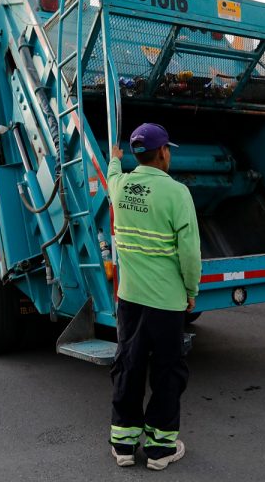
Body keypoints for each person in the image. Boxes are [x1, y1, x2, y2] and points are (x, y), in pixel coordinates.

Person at [106, 123, 201, 471]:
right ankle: (160, 449)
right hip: (166, 303)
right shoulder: (177, 194)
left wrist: (115, 160)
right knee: (166, 371)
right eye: (169, 150)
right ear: (162, 153)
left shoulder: (120, 188)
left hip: (129, 301)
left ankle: (124, 446)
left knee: (129, 367)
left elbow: (112, 176)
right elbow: (189, 253)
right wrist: (191, 290)